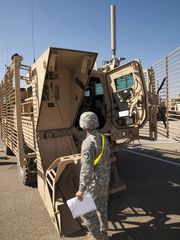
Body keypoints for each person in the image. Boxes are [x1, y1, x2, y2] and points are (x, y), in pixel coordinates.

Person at [75, 111, 110, 240]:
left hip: (94, 183)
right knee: (102, 209)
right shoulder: (103, 138)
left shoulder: (87, 143)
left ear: (83, 124)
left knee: (85, 212)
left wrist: (81, 190)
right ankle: (104, 234)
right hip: (105, 181)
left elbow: (86, 168)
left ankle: (96, 236)